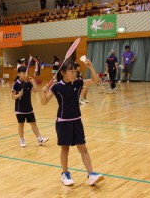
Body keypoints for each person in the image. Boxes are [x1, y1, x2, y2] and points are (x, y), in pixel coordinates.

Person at [41, 58, 104, 186]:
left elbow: (95, 80)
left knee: (83, 148)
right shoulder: (57, 86)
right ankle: (65, 174)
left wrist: (90, 67)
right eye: (71, 71)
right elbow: (44, 101)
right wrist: (43, 92)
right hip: (63, 122)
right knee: (65, 149)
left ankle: (91, 174)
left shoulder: (78, 83)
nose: (74, 74)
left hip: (77, 121)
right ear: (63, 72)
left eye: (75, 71)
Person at [12, 66, 48, 147]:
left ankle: (39, 139)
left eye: (26, 73)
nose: (25, 75)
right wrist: (18, 95)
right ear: (18, 74)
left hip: (29, 108)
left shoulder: (28, 83)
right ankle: (21, 140)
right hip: (20, 109)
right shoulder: (16, 84)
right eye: (23, 73)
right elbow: (13, 97)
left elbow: (36, 91)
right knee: (21, 124)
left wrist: (33, 82)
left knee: (33, 123)